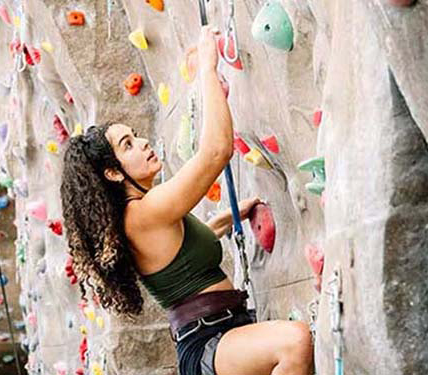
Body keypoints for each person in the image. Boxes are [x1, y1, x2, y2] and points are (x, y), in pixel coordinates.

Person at [60, 25, 314, 375]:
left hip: (218, 334)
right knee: (295, 341)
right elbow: (215, 153)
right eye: (128, 145)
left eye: (135, 135)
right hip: (210, 341)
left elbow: (181, 251)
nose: (143, 142)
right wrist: (208, 70)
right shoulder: (142, 212)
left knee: (293, 340)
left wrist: (229, 217)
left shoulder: (144, 216)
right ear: (113, 174)